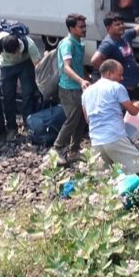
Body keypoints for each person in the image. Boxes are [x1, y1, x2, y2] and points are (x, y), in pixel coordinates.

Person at [82, 59, 139, 175]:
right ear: (109, 73)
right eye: (120, 74)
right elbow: (132, 111)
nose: (121, 78)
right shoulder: (116, 87)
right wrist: (137, 104)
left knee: (104, 182)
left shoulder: (86, 93)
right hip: (115, 137)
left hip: (96, 141)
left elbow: (87, 119)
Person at [0, 27, 41, 141]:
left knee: (28, 94)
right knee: (8, 97)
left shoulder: (29, 44)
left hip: (25, 65)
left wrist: (41, 83)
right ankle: (12, 128)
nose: (14, 55)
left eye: (15, 52)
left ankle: (29, 125)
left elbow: (38, 66)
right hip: (6, 66)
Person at [90, 10, 139, 94]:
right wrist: (112, 77)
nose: (121, 26)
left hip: (130, 87)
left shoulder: (126, 36)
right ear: (108, 28)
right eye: (117, 25)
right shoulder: (108, 43)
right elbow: (95, 60)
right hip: (120, 89)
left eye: (122, 23)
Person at [52, 14, 90, 166]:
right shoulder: (67, 44)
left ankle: (74, 151)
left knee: (80, 120)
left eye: (84, 26)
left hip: (77, 87)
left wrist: (87, 78)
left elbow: (78, 65)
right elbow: (66, 67)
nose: (84, 29)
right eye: (81, 27)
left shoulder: (78, 42)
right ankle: (57, 148)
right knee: (72, 120)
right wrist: (81, 81)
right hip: (69, 88)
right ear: (71, 28)